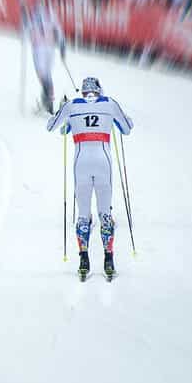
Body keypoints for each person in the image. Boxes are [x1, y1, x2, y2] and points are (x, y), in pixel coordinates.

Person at [47, 77, 133, 279]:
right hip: (103, 162)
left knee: (83, 215)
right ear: (99, 91)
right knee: (105, 213)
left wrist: (64, 115)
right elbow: (127, 128)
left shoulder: (71, 106)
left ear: (83, 92)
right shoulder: (109, 103)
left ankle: (83, 259)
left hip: (81, 163)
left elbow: (52, 127)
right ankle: (108, 259)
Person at [23, 0, 65, 114]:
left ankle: (47, 100)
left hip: (39, 48)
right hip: (49, 48)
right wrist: (62, 45)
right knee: (47, 74)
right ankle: (48, 101)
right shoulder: (51, 13)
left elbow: (26, 30)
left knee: (42, 74)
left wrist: (25, 20)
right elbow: (58, 29)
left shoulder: (35, 14)